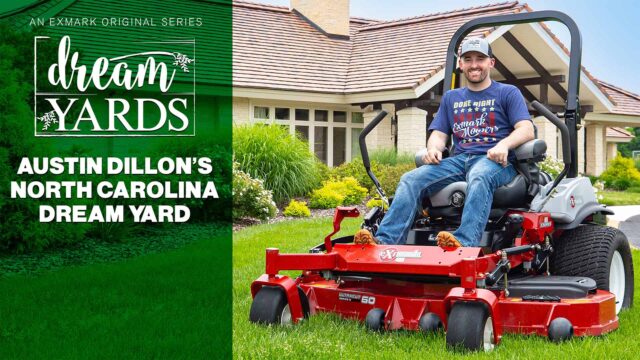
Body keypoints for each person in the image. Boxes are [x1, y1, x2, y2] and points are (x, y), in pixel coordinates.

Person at [354, 37, 534, 248]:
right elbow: (439, 135)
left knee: (479, 175)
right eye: (468, 59)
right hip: (459, 161)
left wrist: (503, 145)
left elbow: (526, 129)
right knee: (410, 179)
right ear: (461, 64)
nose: (474, 64)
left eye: (480, 59)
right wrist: (433, 149)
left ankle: (465, 242)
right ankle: (385, 242)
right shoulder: (451, 98)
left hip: (495, 162)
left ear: (491, 63)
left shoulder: (507, 93)